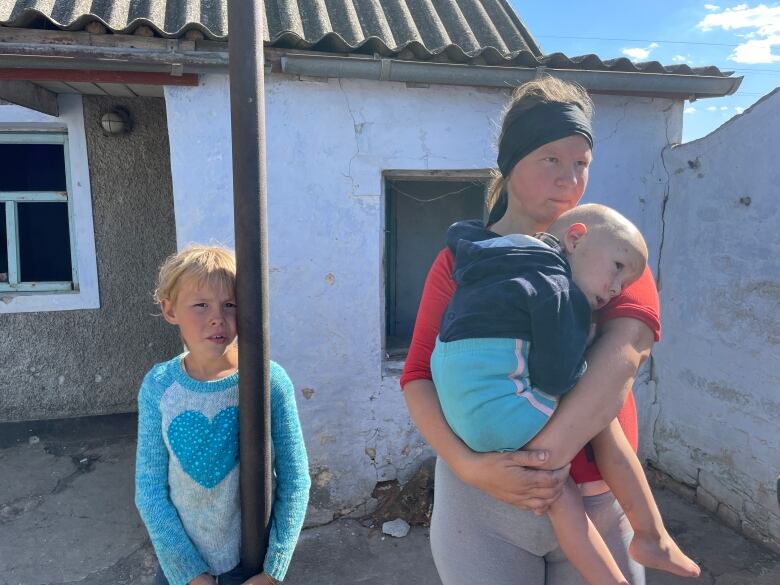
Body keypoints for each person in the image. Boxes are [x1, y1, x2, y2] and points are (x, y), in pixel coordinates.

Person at [400, 76, 675, 585]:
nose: (569, 179)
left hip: (593, 504)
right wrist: (468, 466)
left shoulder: (611, 254)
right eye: (551, 158)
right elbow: (418, 374)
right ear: (511, 160)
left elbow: (620, 363)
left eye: (581, 163)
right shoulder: (462, 261)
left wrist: (539, 465)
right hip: (483, 506)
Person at [432, 204, 698, 584]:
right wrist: (584, 351)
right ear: (574, 238)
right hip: (505, 424)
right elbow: (558, 375)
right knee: (595, 423)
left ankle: (644, 544)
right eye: (618, 269)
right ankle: (643, 544)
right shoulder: (558, 289)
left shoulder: (494, 255)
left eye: (625, 283)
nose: (616, 288)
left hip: (466, 418)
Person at [135, 246, 310, 585]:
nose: (217, 317)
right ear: (170, 311)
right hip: (181, 567)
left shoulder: (269, 381)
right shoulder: (159, 385)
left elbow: (296, 478)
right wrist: (189, 573)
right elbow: (149, 488)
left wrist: (274, 569)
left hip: (251, 568)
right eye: (201, 305)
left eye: (230, 304)